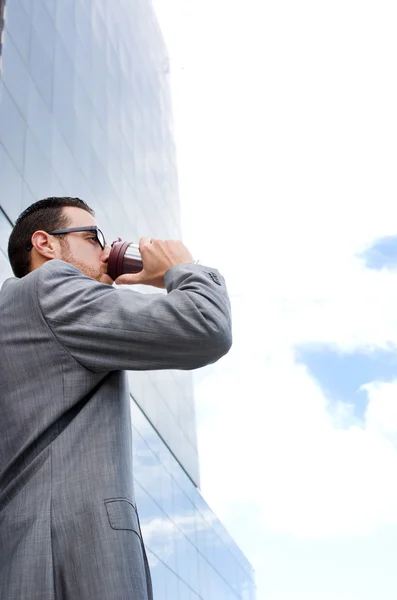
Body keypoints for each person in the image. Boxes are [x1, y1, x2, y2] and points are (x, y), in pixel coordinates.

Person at [0, 197, 232, 600]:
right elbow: (204, 326)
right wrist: (182, 268)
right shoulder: (50, 286)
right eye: (93, 238)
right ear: (46, 244)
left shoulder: (18, 312)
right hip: (71, 560)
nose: (107, 251)